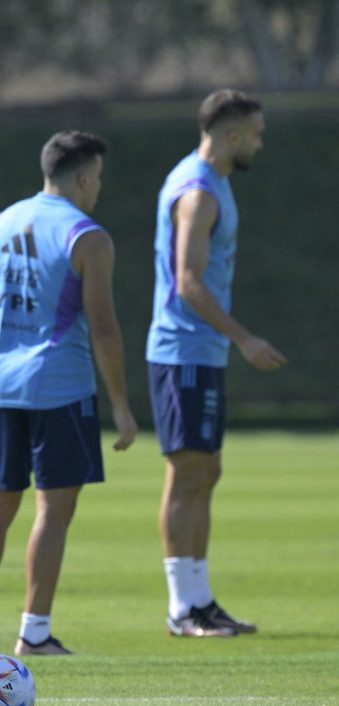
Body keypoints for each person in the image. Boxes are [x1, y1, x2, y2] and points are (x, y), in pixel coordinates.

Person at [0, 131, 138, 659]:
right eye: (96, 178)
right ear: (81, 177)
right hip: (62, 388)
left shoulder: (0, 222)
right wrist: (120, 406)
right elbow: (104, 329)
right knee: (52, 512)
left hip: (3, 386)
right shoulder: (87, 236)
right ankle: (34, 632)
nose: (97, 188)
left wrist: (8, 356)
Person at [146, 89, 283, 638]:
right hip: (182, 350)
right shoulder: (199, 192)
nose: (259, 141)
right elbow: (188, 283)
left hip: (201, 352)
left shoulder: (213, 181)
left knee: (208, 470)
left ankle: (202, 601)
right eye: (256, 133)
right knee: (187, 474)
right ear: (232, 135)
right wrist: (245, 338)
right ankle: (182, 609)